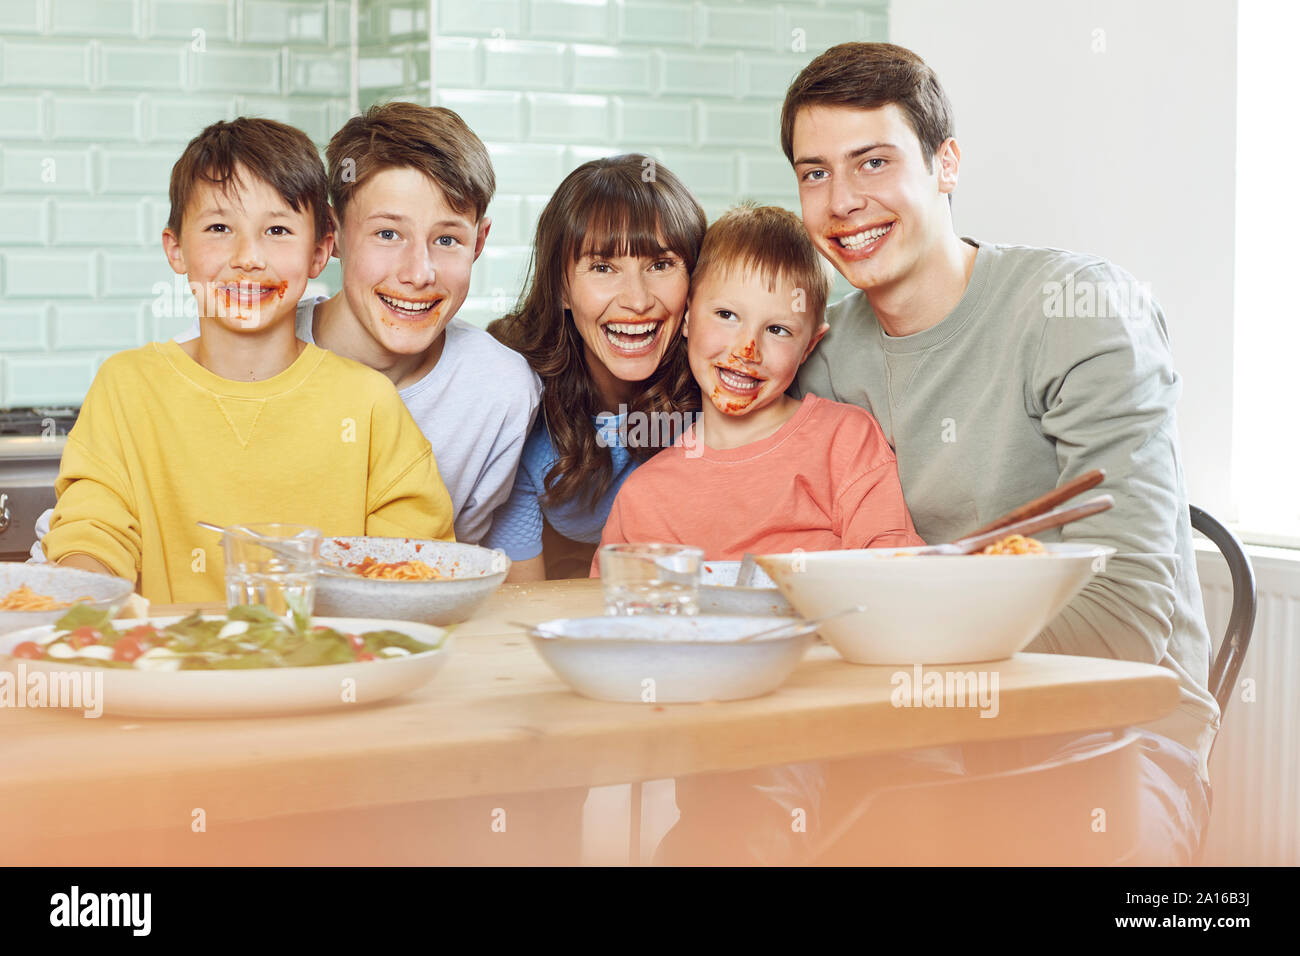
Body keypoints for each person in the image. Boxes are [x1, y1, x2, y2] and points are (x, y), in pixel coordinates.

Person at [785, 42, 1218, 864]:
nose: (842, 201)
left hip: (1109, 745)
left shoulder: (1078, 313)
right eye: (814, 173)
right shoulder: (822, 355)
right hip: (894, 743)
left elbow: (1124, 622)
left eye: (873, 162)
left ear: (946, 163)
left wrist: (897, 645)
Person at [31, 102, 539, 556]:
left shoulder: (484, 393)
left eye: (446, 239)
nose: (417, 272)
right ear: (334, 240)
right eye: (387, 233)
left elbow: (425, 564)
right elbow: (95, 526)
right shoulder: (161, 371)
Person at [594, 202, 924, 563]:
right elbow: (620, 610)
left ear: (809, 346)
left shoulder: (845, 442)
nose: (746, 350)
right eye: (726, 315)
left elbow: (895, 573)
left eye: (777, 329)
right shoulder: (643, 498)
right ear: (686, 318)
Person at [486, 155, 707, 579]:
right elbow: (523, 600)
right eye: (603, 267)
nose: (637, 300)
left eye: (660, 265)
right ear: (562, 289)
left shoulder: (720, 385)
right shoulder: (519, 402)